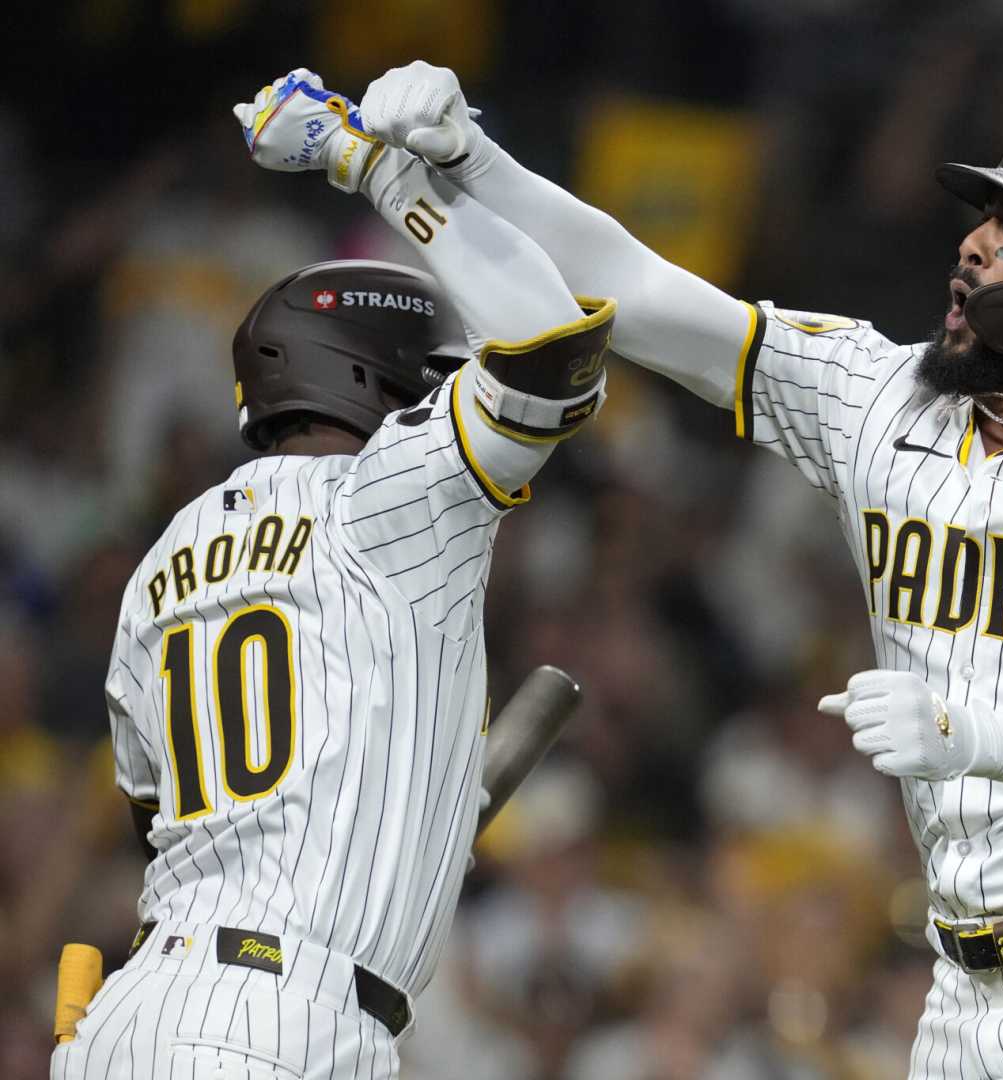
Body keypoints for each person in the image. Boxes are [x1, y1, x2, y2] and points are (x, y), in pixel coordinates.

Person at [362, 62, 1003, 1077]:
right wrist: (471, 159)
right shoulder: (880, 398)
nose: (974, 244)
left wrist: (974, 736)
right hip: (964, 992)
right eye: (983, 219)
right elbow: (632, 286)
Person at [51, 70, 609, 1079]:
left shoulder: (163, 559)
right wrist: (377, 166)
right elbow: (556, 346)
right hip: (280, 1019)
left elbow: (167, 817)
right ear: (376, 378)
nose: (437, 400)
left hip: (127, 1020)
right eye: (428, 379)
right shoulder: (389, 493)